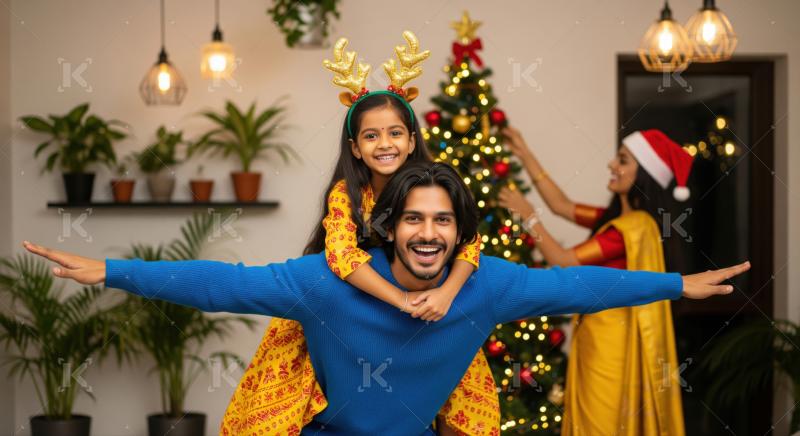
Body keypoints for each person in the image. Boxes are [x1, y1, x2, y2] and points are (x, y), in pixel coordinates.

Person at [24, 161, 749, 436]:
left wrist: (677, 285)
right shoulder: (327, 281)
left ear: (459, 233)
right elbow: (223, 283)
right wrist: (111, 269)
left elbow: (579, 285)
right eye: (414, 220)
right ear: (390, 227)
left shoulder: (488, 285)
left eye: (443, 221)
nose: (428, 233)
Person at [221, 31, 496, 435]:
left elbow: (470, 242)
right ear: (355, 148)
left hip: (429, 303)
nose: (385, 144)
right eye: (371, 135)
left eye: (395, 133)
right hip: (357, 308)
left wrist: (445, 294)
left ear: (412, 140)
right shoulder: (346, 194)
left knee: (456, 380)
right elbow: (342, 256)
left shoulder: (434, 187)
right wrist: (402, 300)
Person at [497, 127, 696, 435]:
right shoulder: (616, 220)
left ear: (644, 174)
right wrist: (524, 152)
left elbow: (563, 261)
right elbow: (561, 205)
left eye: (623, 160)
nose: (611, 165)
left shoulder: (632, 229)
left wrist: (529, 219)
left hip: (611, 350)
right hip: (596, 338)